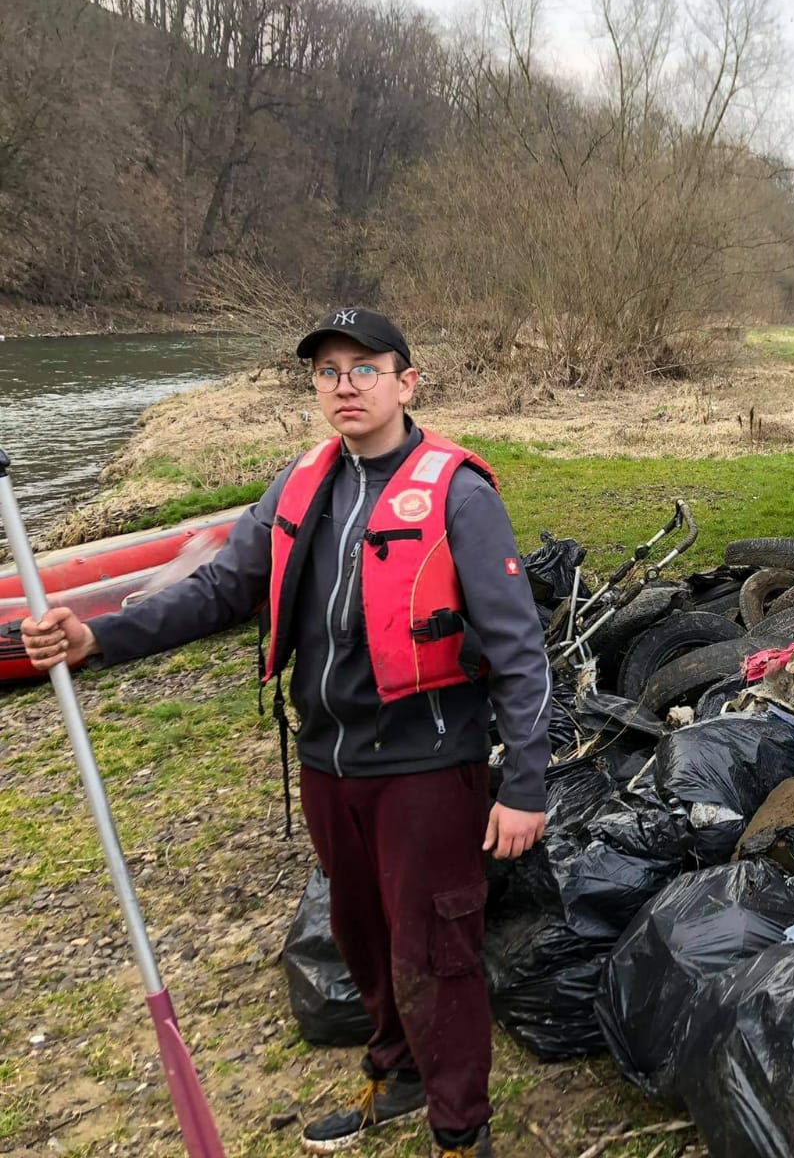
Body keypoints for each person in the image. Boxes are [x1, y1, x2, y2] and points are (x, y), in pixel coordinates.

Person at [22, 308, 553, 1158]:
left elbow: (520, 652)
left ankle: (462, 1130)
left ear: (406, 382)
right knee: (361, 937)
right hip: (327, 762)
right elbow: (223, 589)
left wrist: (526, 785)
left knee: (437, 951)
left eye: (364, 368)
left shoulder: (459, 491)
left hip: (427, 765)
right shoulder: (301, 484)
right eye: (327, 370)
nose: (344, 384)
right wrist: (99, 637)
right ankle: (401, 1073)